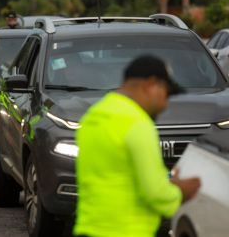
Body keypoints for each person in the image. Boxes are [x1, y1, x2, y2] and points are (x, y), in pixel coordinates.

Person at [74, 55, 201, 237]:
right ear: (151, 84)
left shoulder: (94, 116)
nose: (165, 105)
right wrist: (181, 192)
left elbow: (116, 176)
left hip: (88, 229)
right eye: (166, 94)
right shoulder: (137, 123)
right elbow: (155, 193)